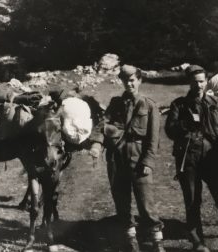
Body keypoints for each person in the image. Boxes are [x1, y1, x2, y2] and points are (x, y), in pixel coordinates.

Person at [165, 65, 218, 252]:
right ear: (189, 83)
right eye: (195, 82)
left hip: (213, 156)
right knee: (193, 200)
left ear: (206, 82)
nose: (199, 85)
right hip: (189, 157)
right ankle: (198, 243)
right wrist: (184, 125)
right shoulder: (179, 105)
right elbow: (169, 130)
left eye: (202, 81)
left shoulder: (216, 103)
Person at [89, 65, 165, 252]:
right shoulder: (116, 103)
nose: (129, 84)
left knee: (146, 203)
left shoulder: (149, 105)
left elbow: (153, 138)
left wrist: (148, 162)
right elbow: (101, 125)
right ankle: (130, 241)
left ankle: (157, 242)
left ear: (139, 80)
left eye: (132, 80)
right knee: (121, 201)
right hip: (116, 158)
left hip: (138, 157)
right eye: (125, 80)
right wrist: (97, 144)